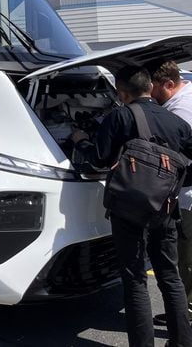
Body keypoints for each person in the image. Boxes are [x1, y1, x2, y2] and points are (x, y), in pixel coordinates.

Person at [71, 65, 192, 347]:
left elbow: (99, 160)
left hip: (128, 211)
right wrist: (171, 186)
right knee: (169, 277)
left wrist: (82, 141)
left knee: (135, 279)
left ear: (122, 93)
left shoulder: (120, 116)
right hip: (165, 209)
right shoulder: (176, 121)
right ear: (151, 86)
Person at [148, 60, 192, 327]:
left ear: (168, 84)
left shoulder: (182, 111)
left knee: (186, 260)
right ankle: (182, 311)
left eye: (154, 89)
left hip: (189, 196)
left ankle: (185, 319)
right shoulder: (187, 96)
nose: (151, 95)